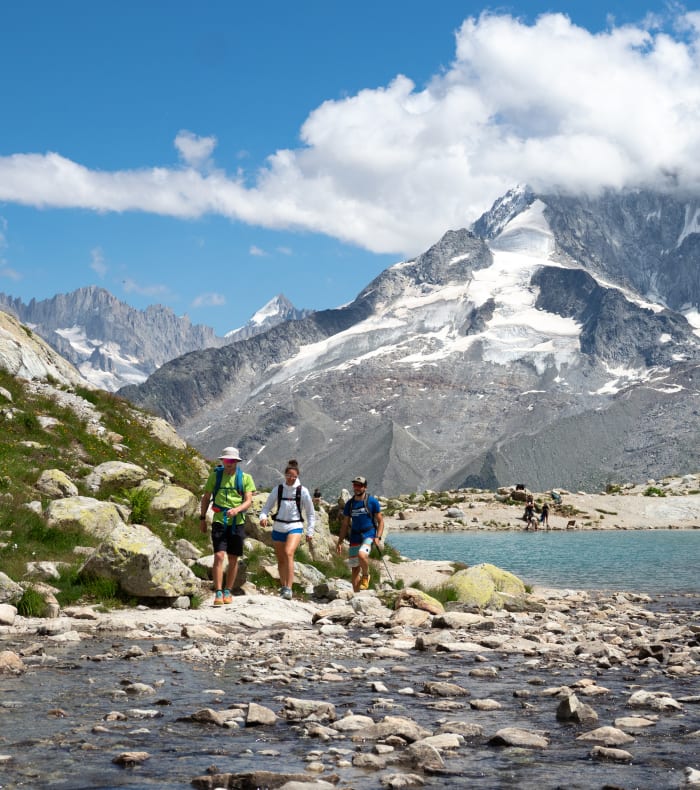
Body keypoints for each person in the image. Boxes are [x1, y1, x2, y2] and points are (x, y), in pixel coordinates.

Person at [199, 446, 255, 606]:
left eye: (232, 461)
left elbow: (248, 500)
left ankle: (228, 591)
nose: (229, 463)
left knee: (233, 558)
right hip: (219, 521)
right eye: (226, 460)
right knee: (218, 556)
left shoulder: (245, 478)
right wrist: (202, 518)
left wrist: (236, 510)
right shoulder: (214, 477)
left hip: (237, 523)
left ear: (237, 462)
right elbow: (206, 497)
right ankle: (218, 592)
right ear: (222, 461)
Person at [259, 460, 316, 600]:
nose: (291, 479)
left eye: (294, 477)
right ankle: (283, 586)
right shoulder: (278, 489)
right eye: (289, 476)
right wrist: (263, 516)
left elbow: (310, 513)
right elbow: (266, 507)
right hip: (278, 526)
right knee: (280, 559)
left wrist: (310, 531)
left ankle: (289, 588)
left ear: (297, 476)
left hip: (295, 526)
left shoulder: (303, 491)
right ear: (285, 475)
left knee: (288, 553)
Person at [335, 475, 384, 591]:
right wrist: (340, 541)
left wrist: (378, 537)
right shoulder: (350, 504)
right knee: (355, 568)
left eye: (359, 486)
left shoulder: (372, 501)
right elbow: (345, 524)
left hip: (369, 534)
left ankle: (366, 575)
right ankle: (356, 594)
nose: (356, 488)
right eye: (355, 485)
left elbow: (381, 521)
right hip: (355, 536)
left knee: (362, 555)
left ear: (365, 488)